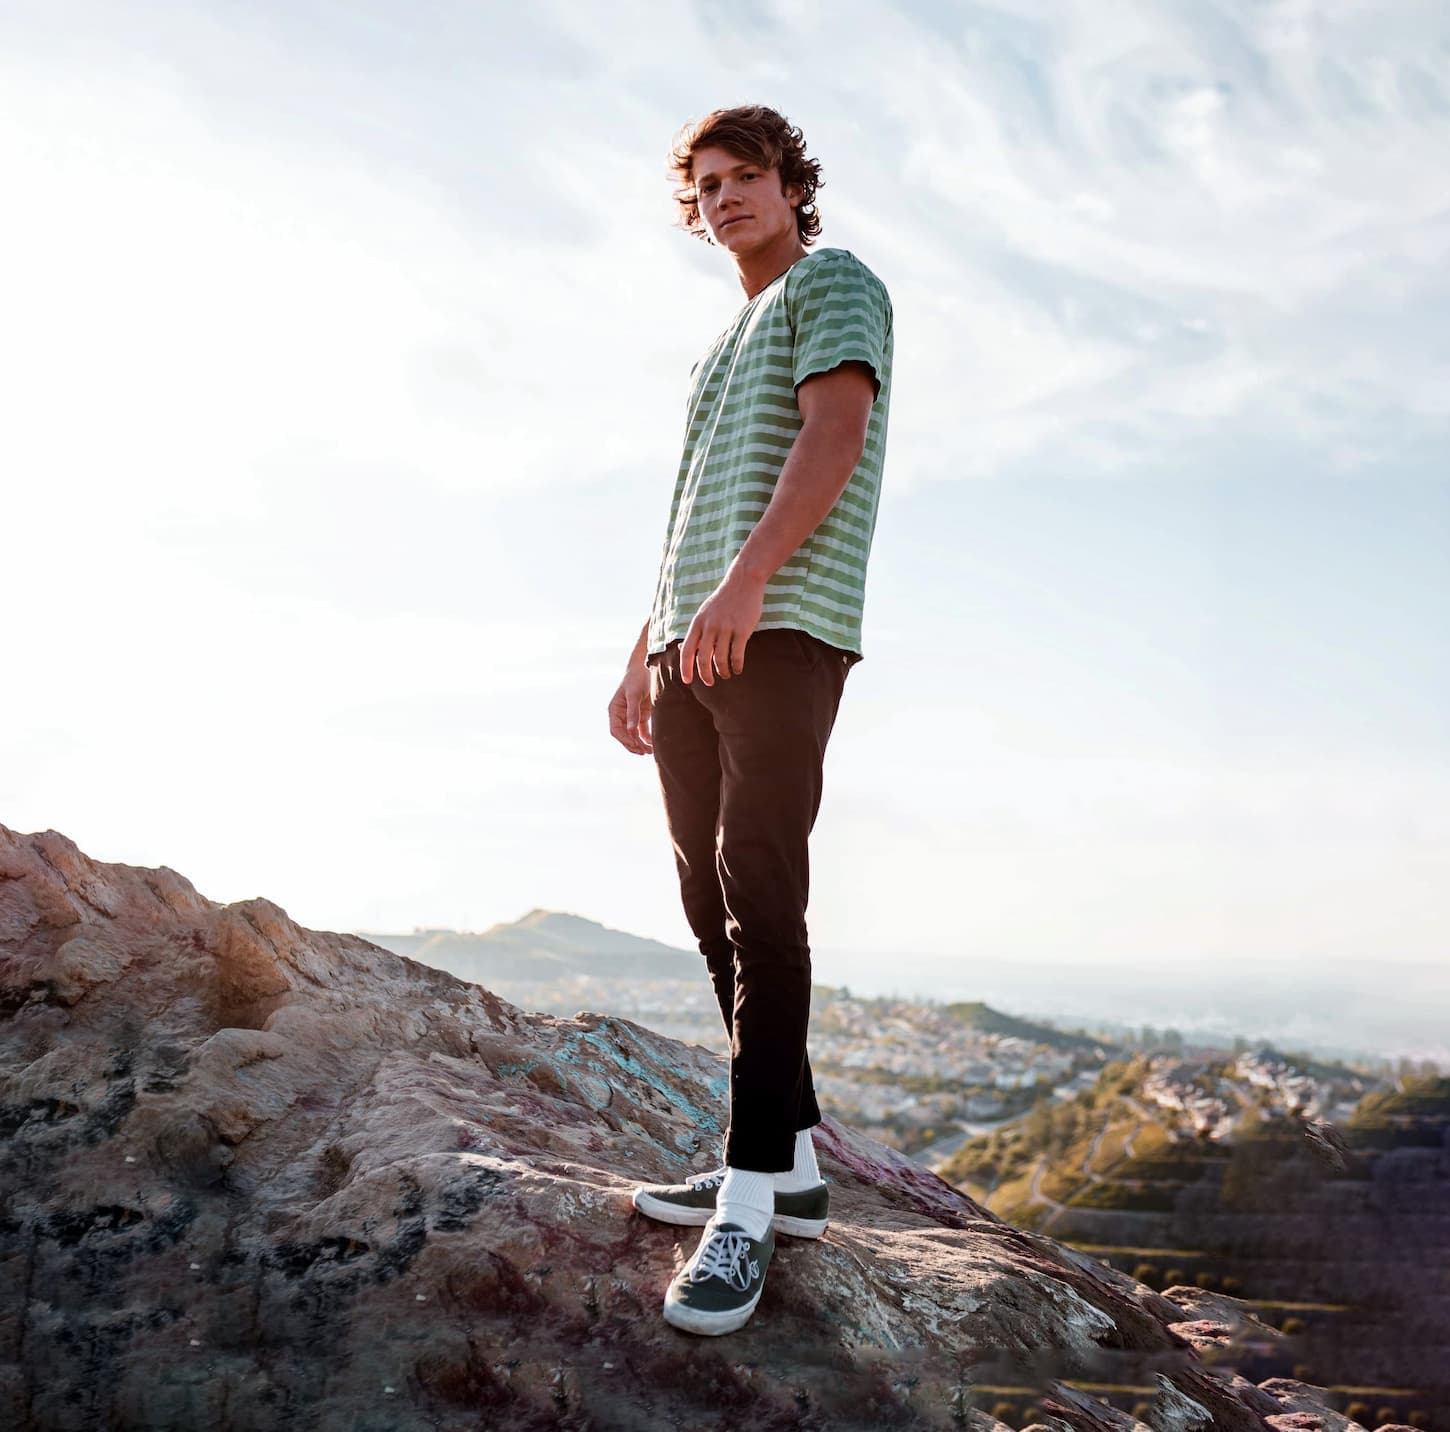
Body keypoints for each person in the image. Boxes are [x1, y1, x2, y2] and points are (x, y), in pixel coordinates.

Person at [607, 103, 893, 1336]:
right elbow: (684, 515)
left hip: (776, 627)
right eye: (707, 183)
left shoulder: (833, 284)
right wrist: (641, 649)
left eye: (746, 177)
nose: (724, 198)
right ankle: (790, 1168)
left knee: (762, 897)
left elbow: (835, 435)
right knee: (705, 902)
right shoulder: (715, 348)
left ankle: (742, 1206)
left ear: (790, 185)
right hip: (689, 640)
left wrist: (748, 584)